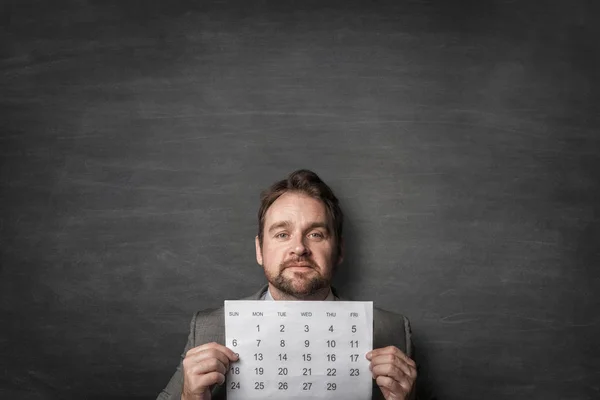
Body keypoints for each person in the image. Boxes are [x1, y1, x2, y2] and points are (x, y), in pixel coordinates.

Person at [157, 169, 418, 400]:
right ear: (260, 250)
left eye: (316, 234)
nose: (299, 248)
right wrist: (189, 397)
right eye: (282, 234)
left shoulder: (390, 330)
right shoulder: (209, 329)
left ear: (338, 251)